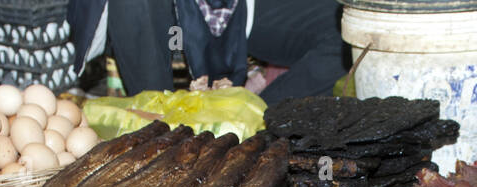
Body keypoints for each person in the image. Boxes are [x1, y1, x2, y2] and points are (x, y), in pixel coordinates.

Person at [70, 0, 351, 103]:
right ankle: (160, 142)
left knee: (346, 25)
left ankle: (259, 120)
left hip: (235, 9)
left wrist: (261, 76)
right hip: (152, 11)